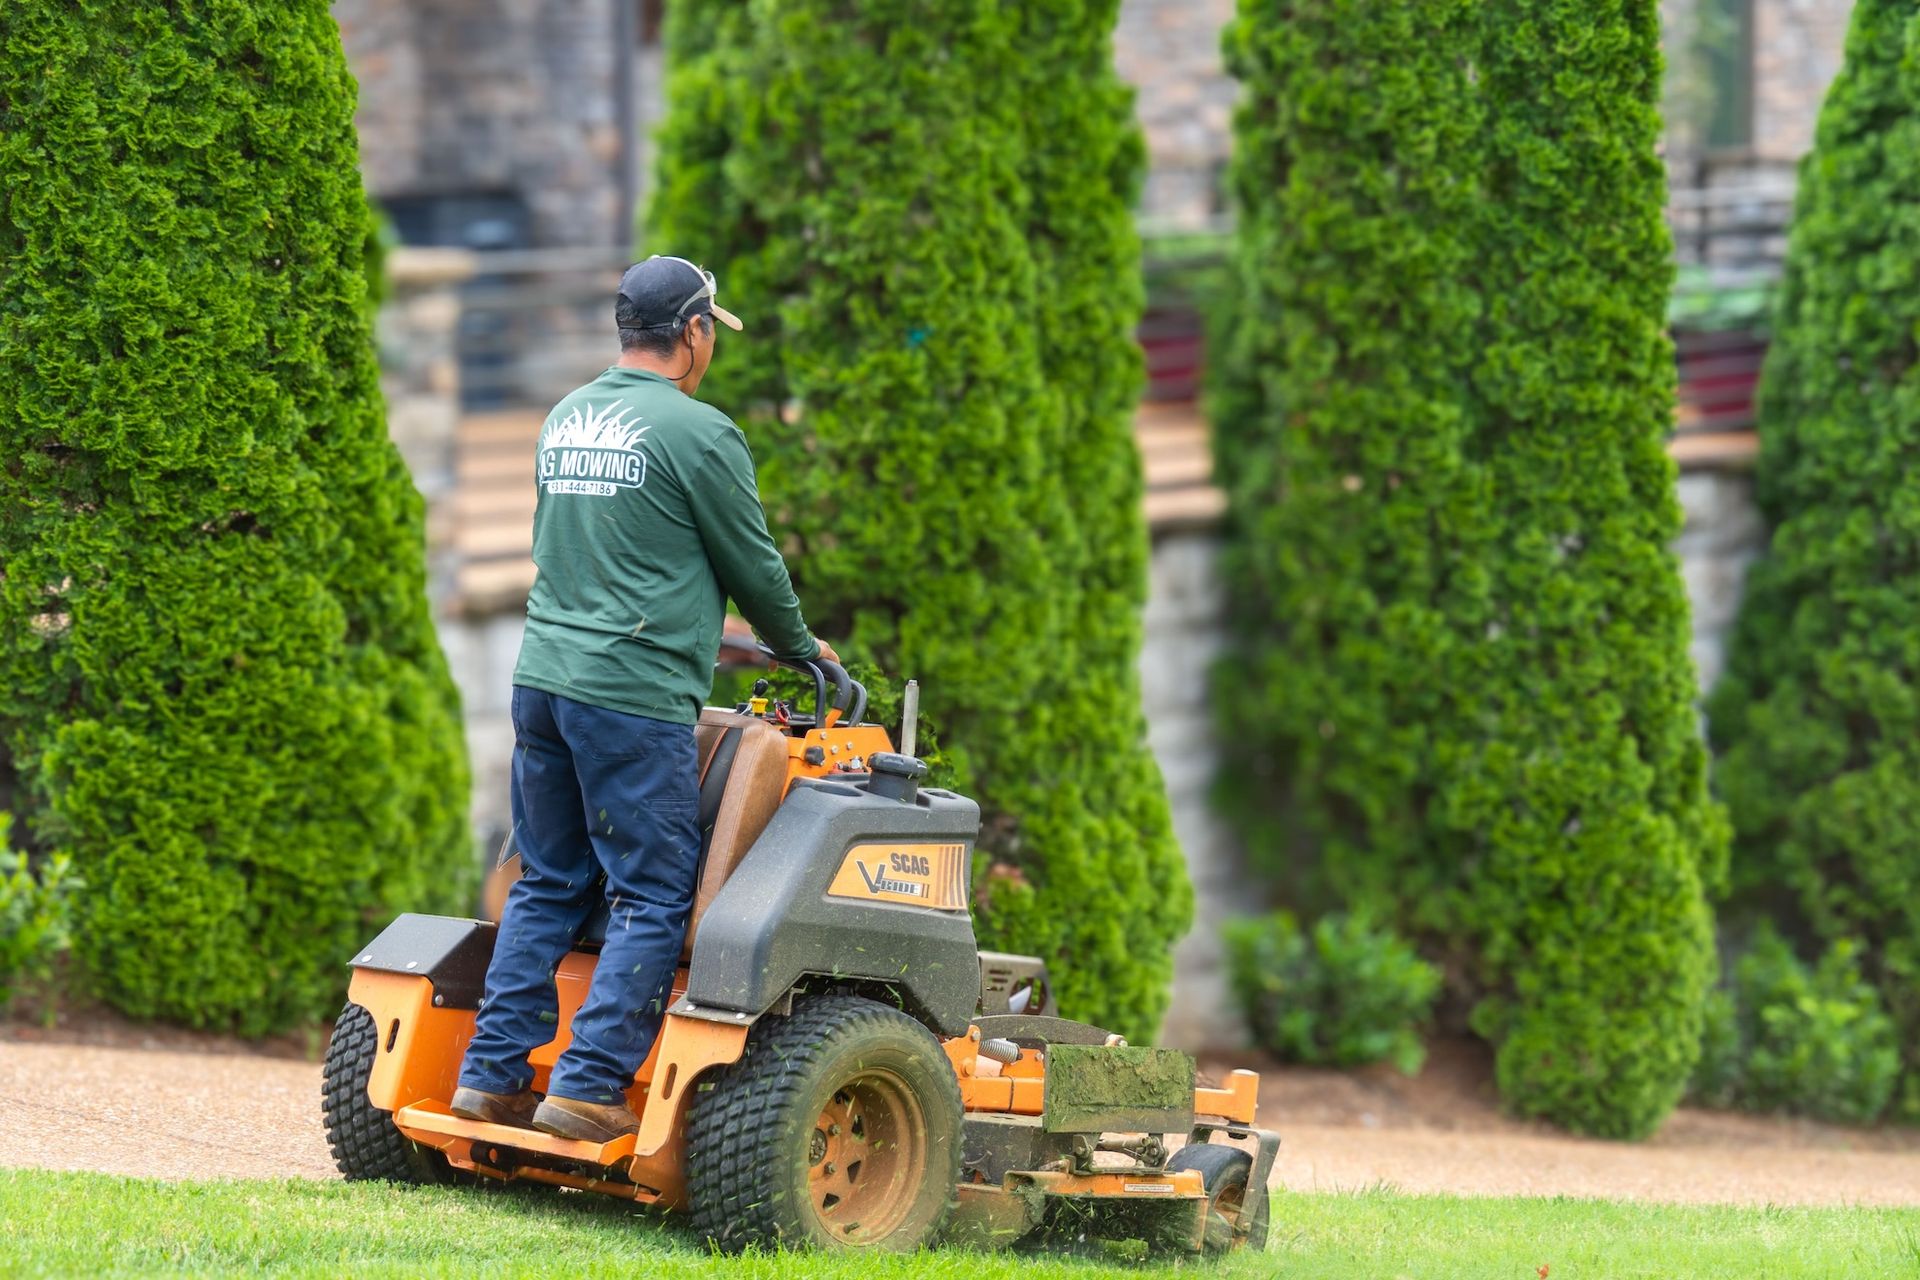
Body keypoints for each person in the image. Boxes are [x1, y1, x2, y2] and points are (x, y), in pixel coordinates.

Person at [449, 255, 838, 1142]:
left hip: (543, 679)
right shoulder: (699, 433)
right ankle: (585, 1088)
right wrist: (798, 648)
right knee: (655, 893)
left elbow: (580, 549)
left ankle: (491, 1075)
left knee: (547, 877)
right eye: (713, 334)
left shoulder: (567, 415)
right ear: (694, 331)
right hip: (629, 693)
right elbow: (754, 565)